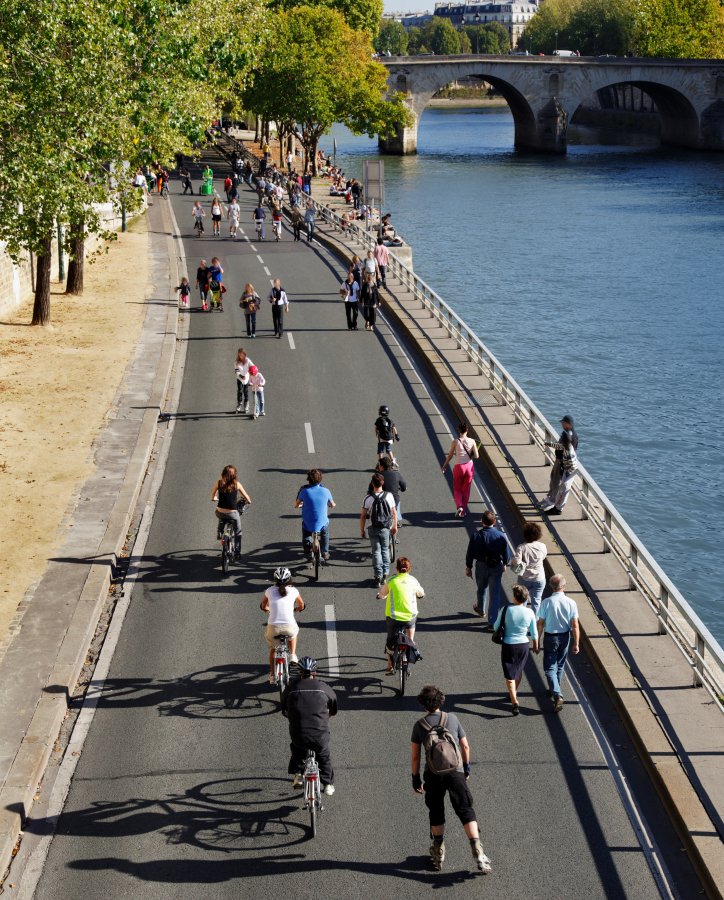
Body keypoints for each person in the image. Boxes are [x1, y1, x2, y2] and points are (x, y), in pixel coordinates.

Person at [411, 685, 492, 873]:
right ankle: (478, 852)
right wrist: (466, 768)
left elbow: (415, 756)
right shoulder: (453, 719)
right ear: (441, 701)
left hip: (433, 775)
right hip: (456, 771)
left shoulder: (419, 726)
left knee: (436, 811)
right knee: (465, 810)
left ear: (423, 704)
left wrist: (415, 779)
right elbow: (465, 746)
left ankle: (438, 852)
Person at [282, 656, 338, 794]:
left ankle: (299, 775)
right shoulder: (323, 687)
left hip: (299, 734)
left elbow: (283, 707)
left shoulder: (291, 688)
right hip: (319, 734)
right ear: (315, 672)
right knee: (323, 754)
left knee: (297, 748)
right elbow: (334, 706)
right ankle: (328, 784)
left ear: (299, 672)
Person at [493, 584, 539, 715]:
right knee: (518, 670)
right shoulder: (530, 612)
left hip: (509, 645)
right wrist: (535, 645)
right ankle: (513, 693)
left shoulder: (506, 609)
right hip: (524, 645)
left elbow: (496, 626)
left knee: (509, 674)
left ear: (514, 598)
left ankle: (514, 702)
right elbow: (534, 632)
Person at [536, 574, 580, 712]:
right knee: (560, 665)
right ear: (564, 586)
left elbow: (541, 624)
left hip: (550, 638)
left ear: (551, 586)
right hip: (565, 637)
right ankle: (555, 690)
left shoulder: (546, 602)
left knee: (549, 668)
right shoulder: (571, 603)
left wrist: (536, 641)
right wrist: (576, 643)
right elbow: (575, 625)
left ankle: (557, 693)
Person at [377, 557, 424, 674]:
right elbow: (421, 593)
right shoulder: (413, 580)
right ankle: (410, 649)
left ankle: (390, 666)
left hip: (393, 618)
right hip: (409, 617)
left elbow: (382, 594)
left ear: (397, 568)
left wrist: (380, 596)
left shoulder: (391, 580)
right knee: (410, 639)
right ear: (409, 569)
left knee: (390, 642)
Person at [465, 510, 511, 629]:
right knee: (495, 594)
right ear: (494, 522)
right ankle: (492, 622)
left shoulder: (476, 536)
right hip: (496, 566)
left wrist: (468, 567)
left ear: (482, 521)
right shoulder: (500, 536)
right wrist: (505, 563)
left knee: (481, 589)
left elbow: (470, 553)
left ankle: (481, 609)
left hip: (481, 566)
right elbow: (506, 553)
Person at [261, 567, 305, 682]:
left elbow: (263, 606)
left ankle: (272, 674)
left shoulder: (269, 590)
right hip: (288, 626)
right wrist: (297, 609)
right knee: (293, 634)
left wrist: (268, 609)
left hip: (273, 627)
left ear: (274, 579)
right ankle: (293, 655)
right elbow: (302, 605)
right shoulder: (294, 590)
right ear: (289, 579)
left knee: (273, 649)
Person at [360, 472, 398, 587]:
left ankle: (377, 576)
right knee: (385, 550)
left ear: (372, 484)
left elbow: (363, 516)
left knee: (376, 551)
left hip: (373, 527)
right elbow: (394, 513)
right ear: (383, 483)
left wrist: (362, 530)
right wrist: (395, 526)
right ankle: (385, 574)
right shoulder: (389, 496)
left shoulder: (368, 498)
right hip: (385, 528)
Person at [211, 465, 252, 559]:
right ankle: (237, 552)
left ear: (223, 473)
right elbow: (248, 498)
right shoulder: (237, 484)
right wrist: (248, 501)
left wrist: (215, 498)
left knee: (221, 516)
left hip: (219, 512)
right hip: (232, 514)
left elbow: (212, 496)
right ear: (234, 475)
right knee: (238, 532)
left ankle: (220, 532)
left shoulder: (219, 483)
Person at [295, 469, 335, 564]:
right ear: (320, 479)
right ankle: (325, 552)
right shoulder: (326, 491)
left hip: (308, 522)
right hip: (322, 523)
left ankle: (307, 547)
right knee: (325, 533)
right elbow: (332, 504)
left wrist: (300, 505)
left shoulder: (304, 491)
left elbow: (297, 504)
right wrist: (329, 504)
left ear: (308, 479)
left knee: (306, 532)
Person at [540, 415, 579, 514]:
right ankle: (555, 504)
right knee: (558, 482)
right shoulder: (566, 441)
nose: (561, 424)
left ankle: (557, 508)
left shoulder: (569, 442)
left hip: (568, 467)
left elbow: (559, 446)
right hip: (567, 466)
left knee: (564, 487)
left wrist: (564, 468)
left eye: (563, 422)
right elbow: (558, 445)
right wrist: (548, 443)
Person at [441, 422, 479, 518]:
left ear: (459, 430)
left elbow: (450, 455)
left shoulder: (455, 441)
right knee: (466, 490)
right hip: (469, 467)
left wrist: (444, 465)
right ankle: (463, 512)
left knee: (457, 488)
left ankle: (459, 506)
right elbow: (477, 456)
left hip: (459, 467)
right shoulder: (472, 441)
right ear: (467, 430)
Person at [510, 522, 548, 616]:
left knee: (522, 600)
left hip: (525, 578)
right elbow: (543, 556)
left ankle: (523, 620)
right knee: (536, 601)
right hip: (539, 577)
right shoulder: (542, 546)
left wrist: (523, 564)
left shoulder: (522, 547)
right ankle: (534, 623)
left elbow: (516, 562)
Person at [374, 455, 406, 524]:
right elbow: (403, 486)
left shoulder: (378, 476)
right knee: (397, 499)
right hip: (394, 499)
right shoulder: (397, 474)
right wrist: (402, 489)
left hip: (382, 499)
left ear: (381, 466)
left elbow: (372, 489)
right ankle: (397, 519)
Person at [234, 348, 253, 414]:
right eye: (239, 355)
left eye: (241, 355)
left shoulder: (247, 360)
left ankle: (246, 404)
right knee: (239, 391)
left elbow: (252, 366)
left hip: (246, 378)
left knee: (246, 391)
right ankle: (239, 403)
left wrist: (253, 371)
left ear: (244, 355)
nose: (240, 356)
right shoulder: (236, 362)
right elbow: (236, 371)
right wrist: (241, 376)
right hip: (239, 378)